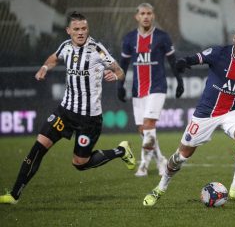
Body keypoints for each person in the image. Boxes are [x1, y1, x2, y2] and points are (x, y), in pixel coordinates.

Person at [0, 11, 135, 204]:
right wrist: (45, 68)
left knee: (80, 163)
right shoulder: (65, 46)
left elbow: (119, 70)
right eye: (77, 29)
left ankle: (121, 151)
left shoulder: (97, 50)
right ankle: (14, 195)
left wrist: (116, 75)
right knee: (37, 148)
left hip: (89, 120)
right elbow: (53, 58)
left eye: (84, 29)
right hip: (64, 112)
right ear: (68, 30)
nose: (81, 33)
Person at [142, 24, 235, 207]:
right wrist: (182, 62)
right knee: (181, 156)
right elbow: (196, 58)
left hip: (231, 112)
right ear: (233, 40)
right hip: (205, 114)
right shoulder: (219, 53)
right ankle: (159, 188)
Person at [117, 3, 184, 177]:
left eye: (149, 13)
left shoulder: (162, 37)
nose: (146, 16)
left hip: (157, 87)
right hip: (138, 89)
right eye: (142, 13)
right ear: (136, 17)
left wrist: (179, 81)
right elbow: (123, 64)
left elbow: (172, 61)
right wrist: (120, 85)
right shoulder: (129, 38)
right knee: (143, 130)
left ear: (153, 16)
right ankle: (161, 159)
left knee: (148, 125)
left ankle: (143, 166)